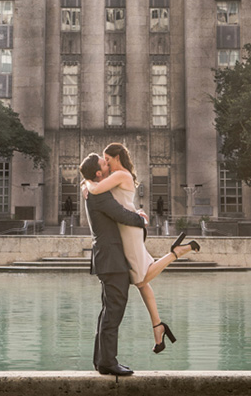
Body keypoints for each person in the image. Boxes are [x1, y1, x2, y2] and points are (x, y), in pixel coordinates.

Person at [83, 142, 200, 354]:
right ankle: (158, 327)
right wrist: (138, 211)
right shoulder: (118, 176)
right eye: (104, 162)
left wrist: (87, 183)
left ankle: (176, 252)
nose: (106, 164)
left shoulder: (119, 174)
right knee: (142, 283)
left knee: (141, 279)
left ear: (116, 157)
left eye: (107, 159)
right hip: (127, 227)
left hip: (129, 229)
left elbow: (98, 188)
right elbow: (122, 201)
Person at [80, 152, 148, 377]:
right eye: (104, 163)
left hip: (107, 258)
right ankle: (108, 362)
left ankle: (101, 360)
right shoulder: (99, 194)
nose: (107, 164)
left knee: (107, 311)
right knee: (114, 310)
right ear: (99, 173)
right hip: (111, 259)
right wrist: (141, 219)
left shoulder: (93, 189)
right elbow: (120, 214)